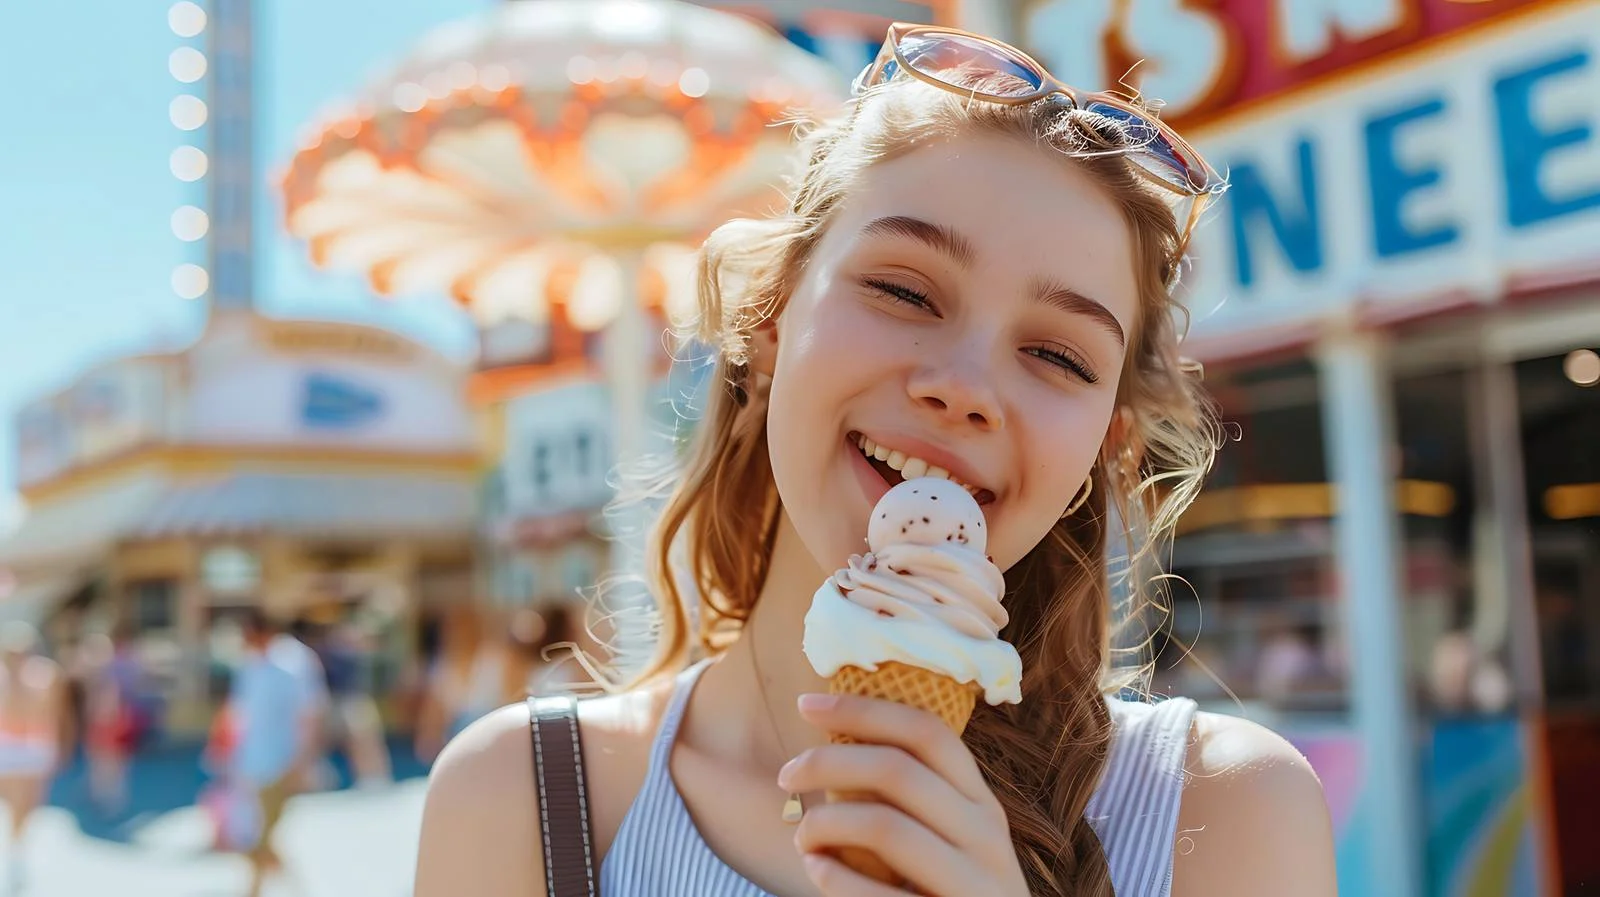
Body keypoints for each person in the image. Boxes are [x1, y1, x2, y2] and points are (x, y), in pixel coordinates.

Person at [415, 23, 1336, 897]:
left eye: (1058, 354)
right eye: (903, 289)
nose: (966, 385)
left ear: (1103, 447)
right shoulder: (527, 801)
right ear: (771, 323)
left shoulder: (1224, 811)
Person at [227, 609, 328, 897]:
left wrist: (302, 761)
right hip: (249, 763)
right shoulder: (250, 664)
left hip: (280, 763)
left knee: (260, 838)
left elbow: (309, 713)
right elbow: (241, 714)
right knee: (253, 838)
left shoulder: (295, 661)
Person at [0, 622, 66, 892]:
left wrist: (57, 747)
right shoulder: (4, 678)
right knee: (16, 804)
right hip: (11, 748)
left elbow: (54, 715)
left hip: (37, 746)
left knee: (32, 805)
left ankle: (19, 842)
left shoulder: (46, 676)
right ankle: (16, 852)